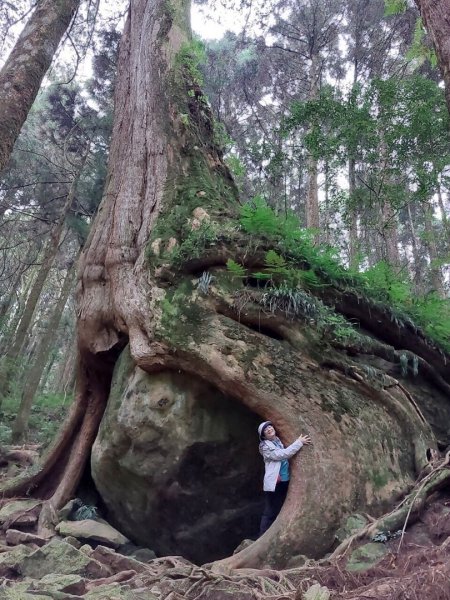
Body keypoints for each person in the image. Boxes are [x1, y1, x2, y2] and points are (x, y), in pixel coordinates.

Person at [258, 421, 311, 536]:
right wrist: (299, 442)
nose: (269, 429)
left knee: (282, 507)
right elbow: (282, 455)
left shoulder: (277, 441)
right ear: (263, 436)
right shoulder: (265, 446)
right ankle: (263, 535)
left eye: (270, 426)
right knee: (271, 511)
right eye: (265, 430)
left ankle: (278, 533)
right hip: (274, 484)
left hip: (284, 481)